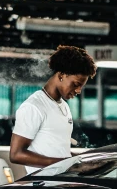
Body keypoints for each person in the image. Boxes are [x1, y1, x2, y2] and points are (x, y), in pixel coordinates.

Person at [10, 45, 97, 174]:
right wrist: (67, 164)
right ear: (61, 75)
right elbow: (16, 154)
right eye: (76, 84)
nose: (78, 91)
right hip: (42, 186)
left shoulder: (64, 105)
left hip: (60, 182)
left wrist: (82, 161)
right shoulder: (34, 106)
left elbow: (59, 151)